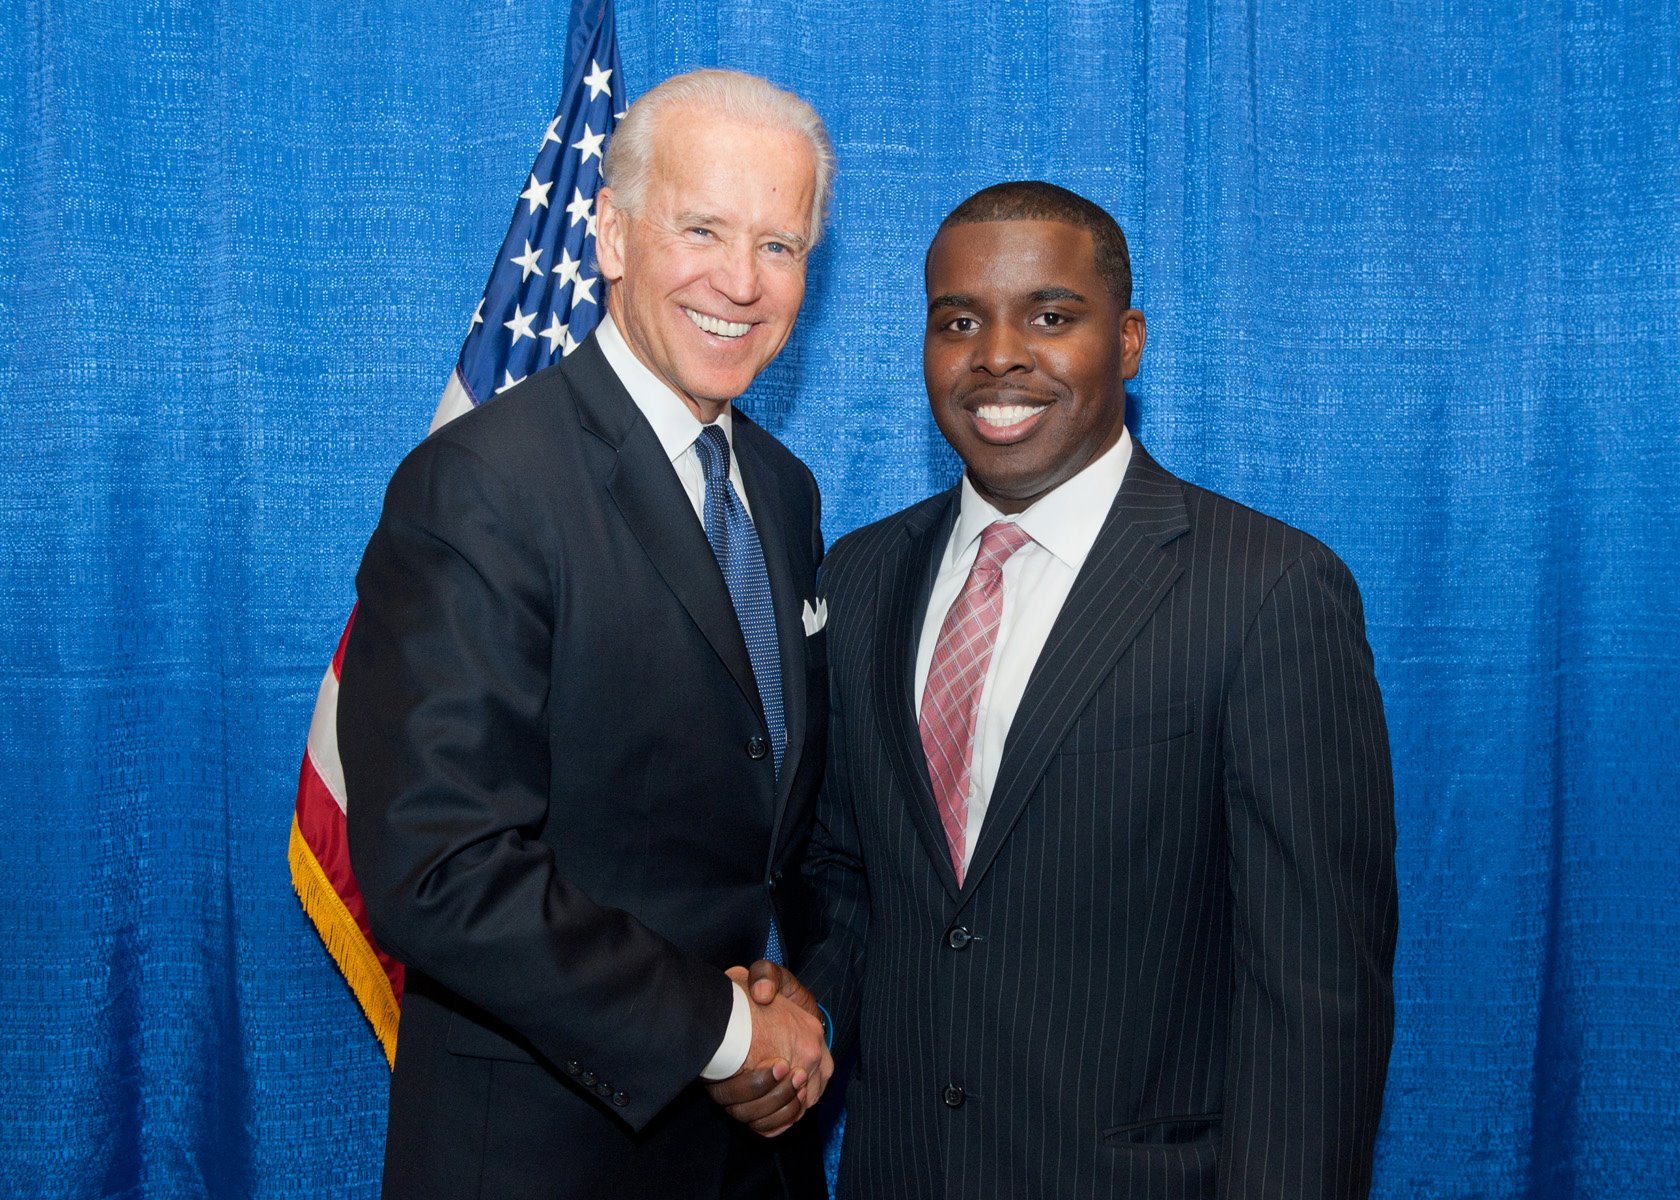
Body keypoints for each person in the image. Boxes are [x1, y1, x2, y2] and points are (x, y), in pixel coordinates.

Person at [718, 181, 1398, 1197]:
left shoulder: (1267, 590)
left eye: (1049, 317)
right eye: (959, 321)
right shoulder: (859, 578)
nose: (997, 355)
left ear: (1127, 341)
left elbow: (1316, 997)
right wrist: (804, 1017)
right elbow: (855, 882)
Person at [337, 69, 838, 1200]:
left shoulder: (782, 488)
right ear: (610, 235)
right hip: (545, 1155)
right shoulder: (480, 484)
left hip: (755, 1155)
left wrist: (791, 1003)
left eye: (779, 244)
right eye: (701, 229)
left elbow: (770, 827)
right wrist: (724, 1030)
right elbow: (438, 865)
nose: (741, 282)